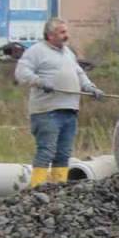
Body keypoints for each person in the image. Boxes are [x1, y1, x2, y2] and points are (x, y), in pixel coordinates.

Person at [14, 18, 103, 187]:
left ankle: (57, 191)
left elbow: (79, 73)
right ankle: (36, 190)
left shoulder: (68, 53)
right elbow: (21, 72)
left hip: (69, 111)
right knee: (46, 152)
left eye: (66, 32)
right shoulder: (36, 51)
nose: (66, 36)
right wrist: (39, 81)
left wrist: (91, 88)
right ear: (50, 35)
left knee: (63, 154)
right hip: (47, 112)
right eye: (62, 32)